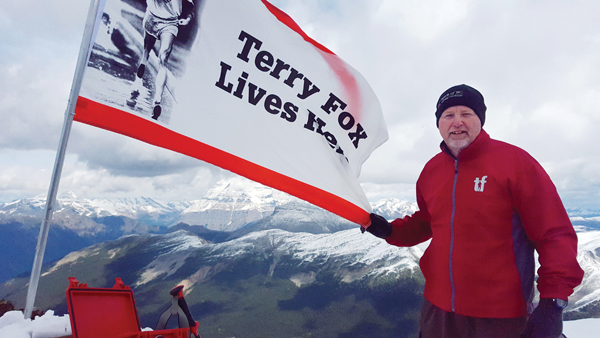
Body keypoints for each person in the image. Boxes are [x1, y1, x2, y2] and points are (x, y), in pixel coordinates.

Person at [363, 84, 584, 338]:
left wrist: (552, 303)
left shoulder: (515, 163)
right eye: (448, 115)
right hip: (438, 311)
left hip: (500, 316)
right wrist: (390, 230)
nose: (457, 122)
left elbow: (553, 234)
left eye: (466, 113)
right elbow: (427, 222)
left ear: (480, 119)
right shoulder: (431, 170)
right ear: (439, 124)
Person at [136, 0, 195, 120]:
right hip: (152, 18)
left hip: (169, 24)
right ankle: (142, 64)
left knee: (163, 59)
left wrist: (187, 19)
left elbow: (189, 10)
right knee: (147, 49)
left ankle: (157, 101)